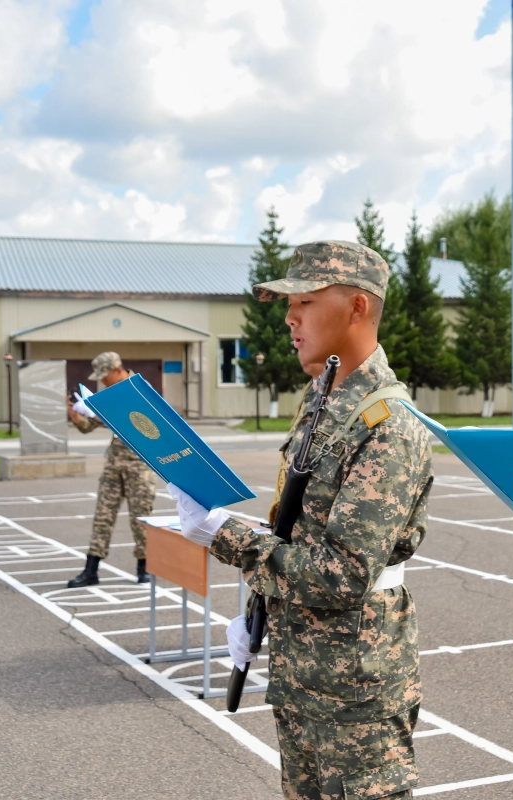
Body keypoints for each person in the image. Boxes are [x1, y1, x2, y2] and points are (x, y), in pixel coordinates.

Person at [172, 241, 433, 799]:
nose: (290, 316)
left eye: (308, 301)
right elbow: (292, 529)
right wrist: (256, 611)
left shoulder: (387, 423)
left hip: (354, 692)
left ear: (357, 307)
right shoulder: (320, 400)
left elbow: (342, 573)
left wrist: (223, 535)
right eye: (290, 303)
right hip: (301, 676)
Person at [64, 352, 156, 587]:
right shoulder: (106, 396)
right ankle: (91, 570)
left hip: (139, 465)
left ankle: (144, 569)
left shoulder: (140, 388)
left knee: (141, 519)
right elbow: (88, 427)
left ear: (117, 369)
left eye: (104, 375)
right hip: (114, 466)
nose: (102, 381)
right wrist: (76, 416)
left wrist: (109, 414)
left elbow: (148, 424)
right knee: (102, 517)